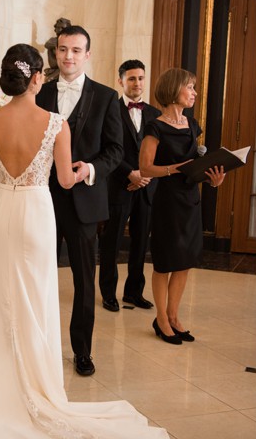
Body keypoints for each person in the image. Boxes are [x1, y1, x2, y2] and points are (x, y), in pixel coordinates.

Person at [0, 44, 176, 439]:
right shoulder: (55, 124)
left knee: (2, 293)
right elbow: (65, 178)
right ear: (35, 79)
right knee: (37, 295)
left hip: (2, 215)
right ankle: (38, 385)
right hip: (35, 212)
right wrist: (86, 171)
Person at [36, 25, 123, 375]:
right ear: (55, 53)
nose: (68, 56)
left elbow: (115, 150)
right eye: (62, 49)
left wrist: (89, 168)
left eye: (76, 50)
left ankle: (82, 351)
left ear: (87, 55)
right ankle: (39, 347)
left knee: (84, 281)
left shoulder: (106, 97)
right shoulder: (39, 95)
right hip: (42, 200)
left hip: (85, 201)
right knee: (39, 275)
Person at [138, 69, 225, 345]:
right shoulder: (155, 126)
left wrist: (213, 179)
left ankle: (174, 317)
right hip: (167, 201)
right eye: (190, 87)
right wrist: (172, 169)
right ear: (175, 89)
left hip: (191, 200)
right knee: (165, 263)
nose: (194, 93)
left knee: (184, 261)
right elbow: (144, 167)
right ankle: (161, 319)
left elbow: (194, 166)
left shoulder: (192, 124)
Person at [97, 59, 160, 312]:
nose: (137, 83)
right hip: (117, 185)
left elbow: (160, 152)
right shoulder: (109, 109)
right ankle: (108, 293)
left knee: (140, 243)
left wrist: (145, 176)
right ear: (121, 81)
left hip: (146, 188)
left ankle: (134, 292)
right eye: (132, 78)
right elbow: (105, 148)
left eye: (141, 78)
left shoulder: (155, 114)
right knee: (110, 242)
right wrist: (129, 174)